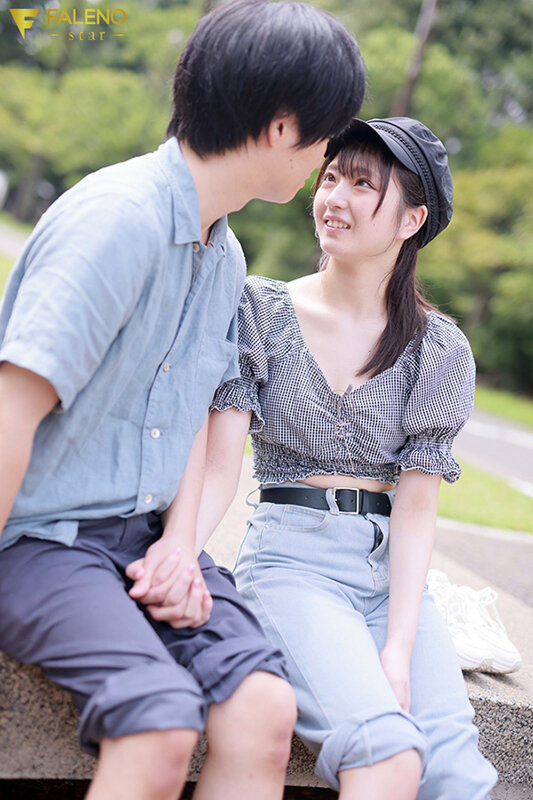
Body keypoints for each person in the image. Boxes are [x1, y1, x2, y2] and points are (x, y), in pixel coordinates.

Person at [0, 2, 365, 798]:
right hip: (42, 539)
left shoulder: (223, 253)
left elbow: (193, 417)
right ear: (281, 127)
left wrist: (177, 543)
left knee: (264, 709)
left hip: (144, 539)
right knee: (161, 722)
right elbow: (10, 412)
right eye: (325, 136)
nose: (324, 158)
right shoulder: (117, 221)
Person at [200, 117, 498, 799]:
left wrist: (399, 643)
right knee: (384, 748)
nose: (332, 196)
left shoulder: (439, 349)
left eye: (362, 184)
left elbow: (416, 508)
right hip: (292, 563)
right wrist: (177, 557)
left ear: (411, 220)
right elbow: (219, 467)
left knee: (455, 773)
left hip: (390, 576)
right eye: (330, 177)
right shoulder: (261, 309)